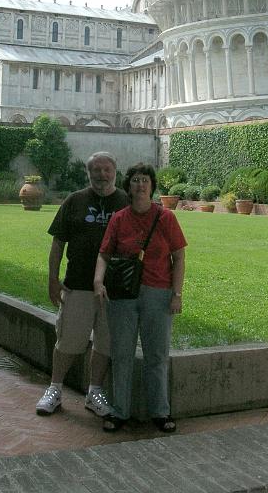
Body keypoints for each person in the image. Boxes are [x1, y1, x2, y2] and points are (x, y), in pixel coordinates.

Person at [93, 162, 186, 434]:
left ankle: (160, 411)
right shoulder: (119, 218)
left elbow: (179, 257)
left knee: (157, 355)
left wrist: (177, 294)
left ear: (152, 186)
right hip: (123, 294)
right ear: (129, 186)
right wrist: (98, 280)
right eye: (136, 180)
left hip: (159, 293)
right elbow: (104, 254)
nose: (141, 185)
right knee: (121, 354)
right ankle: (119, 411)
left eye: (145, 180)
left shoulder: (166, 218)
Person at [36, 152, 128, 417]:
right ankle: (54, 389)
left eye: (106, 169)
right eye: (96, 170)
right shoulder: (74, 201)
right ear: (88, 173)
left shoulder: (125, 202)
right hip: (78, 284)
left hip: (115, 289)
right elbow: (58, 243)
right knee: (67, 341)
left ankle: (94, 392)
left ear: (115, 171)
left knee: (105, 343)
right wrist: (53, 279)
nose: (101, 174)